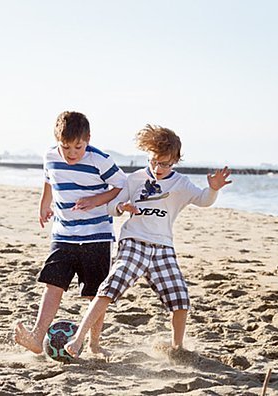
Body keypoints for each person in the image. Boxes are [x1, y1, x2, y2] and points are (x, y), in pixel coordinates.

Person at [65, 124, 232, 357]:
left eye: (164, 163)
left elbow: (204, 200)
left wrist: (213, 189)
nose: (158, 167)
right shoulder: (135, 179)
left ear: (175, 160)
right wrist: (122, 206)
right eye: (154, 161)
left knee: (180, 298)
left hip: (163, 247)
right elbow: (112, 206)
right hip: (134, 242)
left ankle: (177, 348)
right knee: (110, 287)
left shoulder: (181, 184)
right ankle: (78, 339)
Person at [14, 111, 127, 355]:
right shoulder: (50, 156)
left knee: (94, 293)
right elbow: (49, 179)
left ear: (88, 139)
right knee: (53, 284)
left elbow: (122, 186)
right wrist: (44, 204)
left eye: (78, 146)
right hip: (63, 234)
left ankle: (94, 344)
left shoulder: (100, 159)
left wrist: (96, 200)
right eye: (66, 147)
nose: (72, 153)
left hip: (96, 236)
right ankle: (36, 337)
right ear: (57, 141)